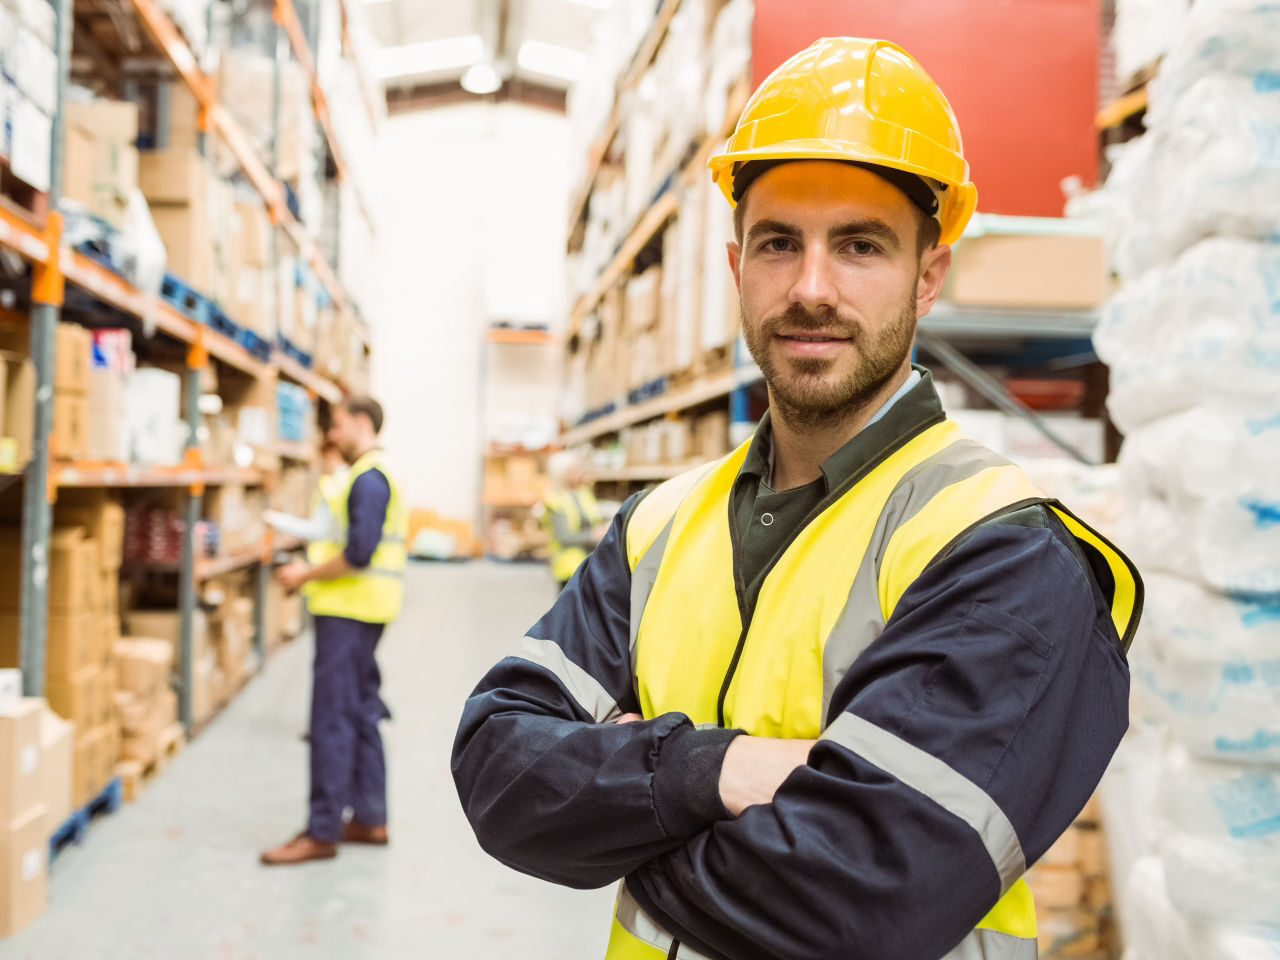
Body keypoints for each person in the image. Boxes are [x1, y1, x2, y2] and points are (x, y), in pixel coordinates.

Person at [452, 38, 1142, 960]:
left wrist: (623, 807)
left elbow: (861, 903)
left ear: (928, 276)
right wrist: (717, 769)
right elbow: (500, 771)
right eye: (780, 244)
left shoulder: (1004, 551)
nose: (811, 288)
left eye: (860, 245)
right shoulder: (659, 525)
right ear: (737, 266)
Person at [262, 396, 408, 866]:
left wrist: (303, 575)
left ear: (362, 423)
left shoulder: (367, 478)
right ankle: (369, 817)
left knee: (331, 720)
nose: (333, 435)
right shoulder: (375, 473)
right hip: (364, 610)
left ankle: (322, 830)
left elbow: (359, 552)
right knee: (362, 709)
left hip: (349, 611)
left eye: (339, 425)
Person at [536, 450, 608, 589]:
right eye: (575, 470)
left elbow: (593, 519)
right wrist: (592, 535)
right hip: (569, 566)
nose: (581, 472)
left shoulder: (584, 494)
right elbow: (563, 537)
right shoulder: (555, 500)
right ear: (562, 473)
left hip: (591, 562)